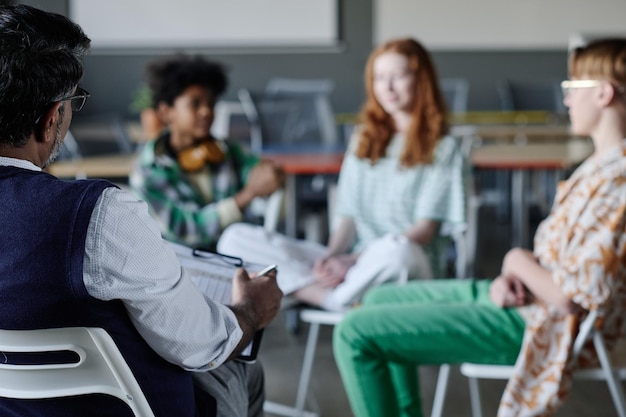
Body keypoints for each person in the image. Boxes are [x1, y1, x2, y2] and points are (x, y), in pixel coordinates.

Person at [0, 5, 282, 417]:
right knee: (240, 371)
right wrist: (252, 310)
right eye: (71, 103)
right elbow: (202, 345)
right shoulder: (101, 214)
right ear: (50, 120)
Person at [333, 38, 626, 417]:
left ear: (603, 94)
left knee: (353, 333)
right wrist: (514, 275)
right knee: (375, 299)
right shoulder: (599, 166)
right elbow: (566, 269)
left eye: (572, 88)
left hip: (544, 325)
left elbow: (573, 297)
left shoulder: (617, 179)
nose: (566, 99)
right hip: (527, 300)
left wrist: (516, 261)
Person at [217, 38, 467, 312]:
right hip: (352, 265)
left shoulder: (444, 148)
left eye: (398, 76)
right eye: (380, 77)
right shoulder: (364, 139)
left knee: (399, 249)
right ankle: (333, 295)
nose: (388, 86)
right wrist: (331, 257)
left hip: (400, 266)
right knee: (234, 238)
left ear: (421, 80)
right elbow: (347, 215)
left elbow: (424, 231)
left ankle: (328, 297)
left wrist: (353, 261)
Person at [129, 54, 285, 250]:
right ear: (165, 112)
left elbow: (255, 171)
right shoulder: (147, 172)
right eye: (195, 104)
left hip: (236, 257)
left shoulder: (229, 151)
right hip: (185, 265)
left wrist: (269, 174)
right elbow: (185, 230)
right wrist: (248, 195)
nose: (206, 112)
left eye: (211, 104)